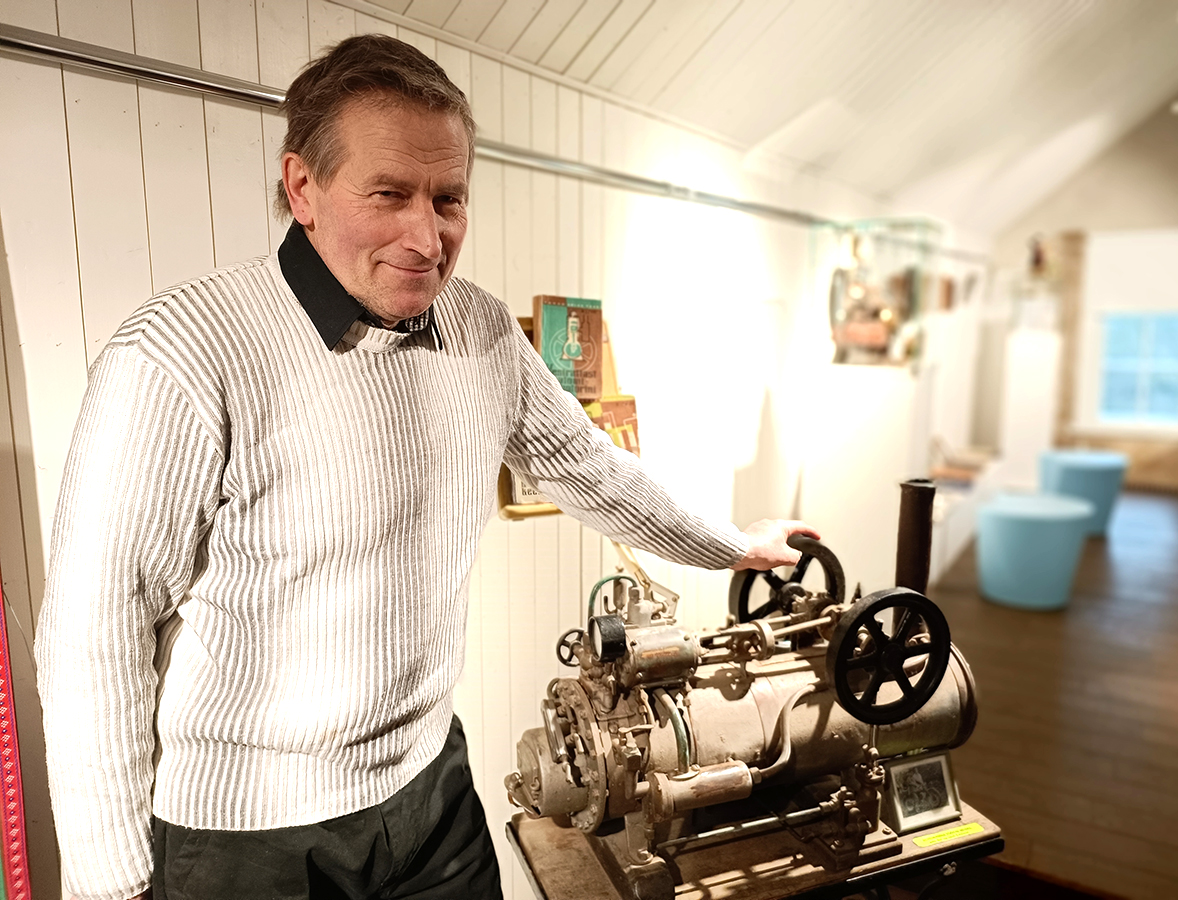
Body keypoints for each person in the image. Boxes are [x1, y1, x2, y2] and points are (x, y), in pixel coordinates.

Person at [35, 34, 816, 900]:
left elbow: (589, 467)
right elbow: (93, 632)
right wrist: (112, 885)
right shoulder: (180, 352)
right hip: (247, 837)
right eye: (389, 194)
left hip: (431, 795)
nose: (427, 236)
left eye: (449, 199)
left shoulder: (481, 331)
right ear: (302, 187)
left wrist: (731, 545)